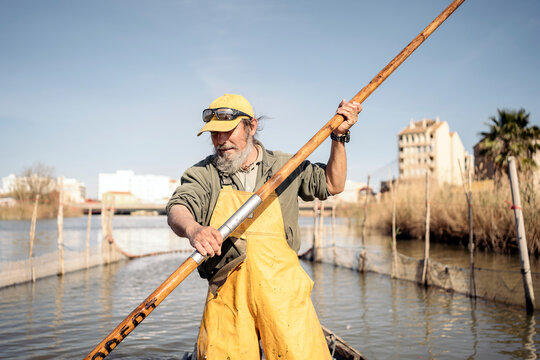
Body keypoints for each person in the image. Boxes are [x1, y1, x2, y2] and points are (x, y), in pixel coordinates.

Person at [167, 94, 361, 360]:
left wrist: (338, 138)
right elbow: (179, 207)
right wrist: (193, 229)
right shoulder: (204, 174)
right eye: (214, 134)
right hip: (227, 294)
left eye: (228, 131)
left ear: (252, 127)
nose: (221, 141)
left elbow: (332, 183)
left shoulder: (286, 165)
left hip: (283, 290)